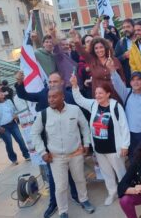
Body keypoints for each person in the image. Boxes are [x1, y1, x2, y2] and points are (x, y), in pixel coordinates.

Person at [15, 71, 80, 218]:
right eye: (49, 82)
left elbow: (78, 119)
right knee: (52, 177)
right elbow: (24, 95)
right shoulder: (43, 95)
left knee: (73, 174)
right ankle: (53, 203)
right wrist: (20, 83)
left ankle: (77, 196)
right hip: (52, 148)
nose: (51, 85)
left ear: (62, 83)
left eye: (55, 82)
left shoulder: (70, 97)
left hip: (70, 145)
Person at [31, 87, 95, 218]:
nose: (51, 100)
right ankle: (63, 211)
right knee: (60, 187)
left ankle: (84, 200)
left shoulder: (74, 110)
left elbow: (84, 127)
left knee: (80, 179)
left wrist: (87, 143)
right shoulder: (43, 114)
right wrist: (42, 152)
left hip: (76, 153)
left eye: (54, 97)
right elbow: (34, 134)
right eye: (49, 97)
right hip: (56, 158)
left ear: (63, 97)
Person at [71, 75, 130, 206]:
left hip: (114, 148)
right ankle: (112, 193)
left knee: (120, 172)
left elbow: (124, 126)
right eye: (96, 93)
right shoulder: (93, 104)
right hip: (99, 149)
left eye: (101, 93)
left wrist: (125, 145)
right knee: (107, 173)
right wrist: (75, 86)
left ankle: (124, 192)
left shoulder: (115, 106)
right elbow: (79, 100)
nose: (97, 96)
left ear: (108, 94)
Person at [107, 59, 141, 161]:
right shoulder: (126, 94)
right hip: (131, 135)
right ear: (130, 82)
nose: (136, 82)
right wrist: (112, 70)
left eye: (139, 79)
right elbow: (117, 83)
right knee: (133, 161)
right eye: (133, 80)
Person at [72, 34, 125, 101]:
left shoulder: (114, 60)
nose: (99, 50)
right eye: (96, 48)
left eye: (101, 47)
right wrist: (75, 39)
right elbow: (81, 51)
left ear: (105, 48)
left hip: (115, 95)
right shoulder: (91, 60)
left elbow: (122, 79)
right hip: (99, 97)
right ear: (93, 50)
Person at [0, 90, 30, 165]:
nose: (1, 93)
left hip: (13, 124)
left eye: (2, 92)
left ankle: (26, 155)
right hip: (3, 128)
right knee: (9, 143)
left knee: (20, 139)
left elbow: (14, 110)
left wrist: (16, 115)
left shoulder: (9, 101)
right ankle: (13, 159)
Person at [115, 19, 136, 87]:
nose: (125, 29)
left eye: (128, 27)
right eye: (124, 27)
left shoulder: (140, 39)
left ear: (134, 27)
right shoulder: (121, 42)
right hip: (130, 77)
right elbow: (115, 60)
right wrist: (124, 56)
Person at [77, 34, 94, 98]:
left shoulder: (100, 52)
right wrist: (89, 68)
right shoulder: (83, 57)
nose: (91, 43)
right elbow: (80, 71)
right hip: (90, 88)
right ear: (84, 45)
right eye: (88, 41)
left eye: (92, 40)